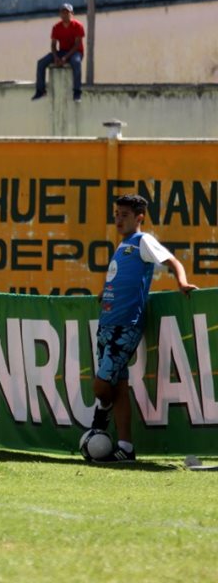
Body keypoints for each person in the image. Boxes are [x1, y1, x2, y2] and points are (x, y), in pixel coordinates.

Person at [86, 194, 198, 463]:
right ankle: (126, 447)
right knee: (119, 386)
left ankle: (100, 419)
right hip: (108, 322)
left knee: (102, 387)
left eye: (124, 215)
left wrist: (182, 283)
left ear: (139, 218)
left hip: (127, 324)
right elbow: (122, 279)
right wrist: (105, 292)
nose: (118, 219)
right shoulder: (121, 246)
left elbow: (172, 261)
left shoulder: (142, 241)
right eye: (116, 214)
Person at [32, 3, 85, 102]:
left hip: (75, 52)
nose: (65, 15)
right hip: (62, 52)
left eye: (67, 12)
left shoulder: (78, 26)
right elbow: (53, 45)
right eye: (63, 12)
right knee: (41, 62)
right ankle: (41, 91)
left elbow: (77, 44)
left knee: (76, 62)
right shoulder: (56, 27)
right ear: (60, 14)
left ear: (72, 13)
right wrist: (56, 57)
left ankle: (77, 92)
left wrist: (65, 58)